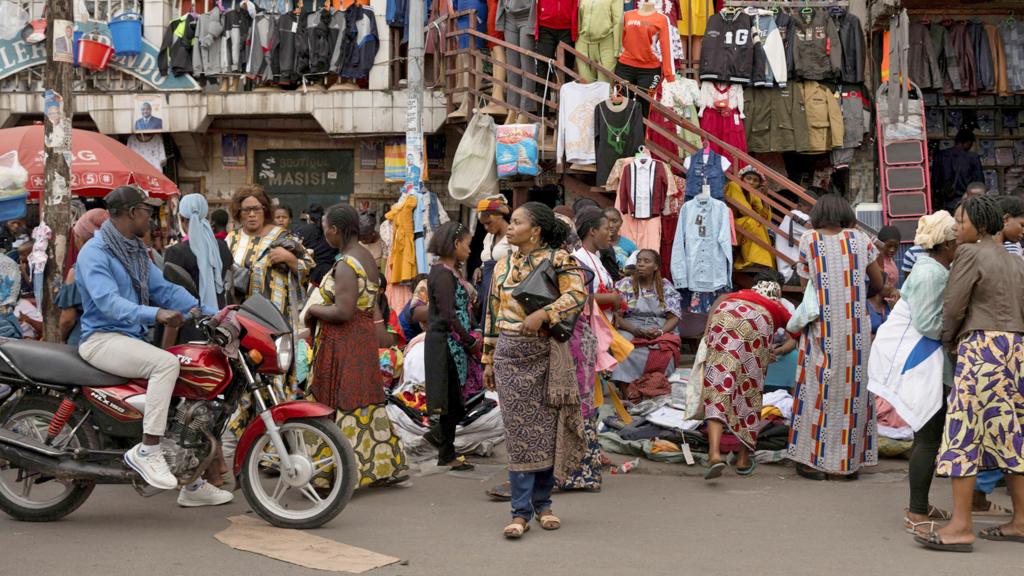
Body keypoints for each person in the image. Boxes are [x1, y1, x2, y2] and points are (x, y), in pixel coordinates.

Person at [76, 186, 229, 506]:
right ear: (132, 213)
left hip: (130, 340)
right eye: (148, 211)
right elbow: (108, 303)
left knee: (188, 393)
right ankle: (148, 448)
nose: (152, 218)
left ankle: (192, 481)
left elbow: (165, 289)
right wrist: (155, 314)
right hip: (101, 339)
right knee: (166, 364)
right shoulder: (95, 252)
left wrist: (210, 313)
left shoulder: (134, 251)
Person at [916, 195, 1024, 552]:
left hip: (981, 348)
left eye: (961, 222)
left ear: (979, 224)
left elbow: (954, 306)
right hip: (1015, 349)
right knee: (1009, 434)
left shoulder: (969, 254)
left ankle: (961, 526)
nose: (956, 228)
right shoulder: (1014, 260)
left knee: (963, 431)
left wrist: (949, 340)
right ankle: (1020, 520)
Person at [482, 201, 588, 539]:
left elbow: (578, 295)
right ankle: (520, 511)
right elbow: (492, 315)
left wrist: (545, 314)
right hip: (509, 356)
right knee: (519, 435)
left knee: (547, 430)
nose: (509, 228)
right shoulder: (501, 266)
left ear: (536, 230)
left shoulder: (559, 259)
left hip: (546, 354)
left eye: (516, 222)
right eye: (510, 222)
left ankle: (544, 505)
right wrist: (488, 359)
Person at [785, 194, 892, 481]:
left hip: (822, 326)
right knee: (853, 394)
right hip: (856, 328)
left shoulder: (808, 240)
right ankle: (847, 465)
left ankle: (814, 462)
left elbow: (807, 284)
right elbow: (879, 282)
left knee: (817, 389)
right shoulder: (859, 239)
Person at [868, 211, 958, 535]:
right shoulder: (932, 273)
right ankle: (916, 510)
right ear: (947, 243)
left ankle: (920, 504)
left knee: (928, 434)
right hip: (914, 359)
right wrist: (957, 335)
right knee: (928, 434)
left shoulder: (929, 268)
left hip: (916, 357)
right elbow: (928, 324)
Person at [306, 203, 408, 488]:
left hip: (344, 344)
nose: (324, 233)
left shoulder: (347, 264)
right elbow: (369, 307)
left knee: (339, 402)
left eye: (325, 229)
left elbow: (342, 311)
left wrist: (313, 312)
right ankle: (376, 466)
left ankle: (333, 470)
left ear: (335, 230)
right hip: (361, 341)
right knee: (363, 401)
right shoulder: (365, 257)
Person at [700, 271, 794, 480]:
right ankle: (742, 459)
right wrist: (774, 351)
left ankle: (714, 454)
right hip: (757, 324)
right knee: (750, 392)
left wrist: (709, 338)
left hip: (723, 318)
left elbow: (712, 321)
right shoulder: (779, 305)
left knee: (718, 387)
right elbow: (795, 332)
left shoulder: (733, 296)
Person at [226, 185, 312, 399]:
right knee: (245, 374)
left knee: (274, 373)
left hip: (277, 320)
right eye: (246, 210)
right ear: (238, 213)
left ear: (265, 210)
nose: (252, 214)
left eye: (257, 208)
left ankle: (278, 426)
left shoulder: (282, 237)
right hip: (243, 322)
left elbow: (310, 268)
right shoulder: (232, 240)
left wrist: (290, 259)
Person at [562, 207, 618, 492]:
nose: (612, 232)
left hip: (594, 335)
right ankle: (583, 460)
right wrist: (613, 299)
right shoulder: (578, 260)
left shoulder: (595, 259)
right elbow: (581, 297)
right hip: (582, 337)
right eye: (606, 227)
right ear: (591, 231)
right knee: (585, 400)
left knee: (592, 399)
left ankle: (590, 455)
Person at [424, 222, 478, 471]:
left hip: (450, 343)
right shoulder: (443, 275)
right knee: (452, 401)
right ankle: (445, 450)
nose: (470, 249)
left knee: (453, 400)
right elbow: (447, 314)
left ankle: (443, 445)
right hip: (447, 344)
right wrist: (468, 340)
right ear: (456, 245)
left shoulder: (445, 271)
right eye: (467, 244)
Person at [611, 249, 681, 387]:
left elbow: (673, 318)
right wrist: (635, 330)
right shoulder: (625, 284)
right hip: (630, 326)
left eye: (646, 261)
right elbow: (617, 317)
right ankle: (627, 391)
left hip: (660, 326)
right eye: (639, 261)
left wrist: (660, 331)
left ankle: (656, 386)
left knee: (664, 348)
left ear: (656, 267)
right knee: (622, 344)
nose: (641, 264)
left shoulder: (665, 286)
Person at [59, 208, 109, 345]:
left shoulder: (77, 270)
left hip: (85, 339)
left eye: (75, 237)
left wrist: (61, 338)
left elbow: (67, 319)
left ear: (81, 239)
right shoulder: (122, 262)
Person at [726, 166, 775, 270]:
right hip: (727, 225)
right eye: (748, 178)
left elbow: (766, 218)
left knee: (758, 224)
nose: (751, 182)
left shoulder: (752, 192)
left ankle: (762, 261)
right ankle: (755, 260)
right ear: (742, 178)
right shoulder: (734, 185)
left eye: (755, 180)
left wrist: (764, 197)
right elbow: (745, 210)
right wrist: (759, 218)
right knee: (752, 222)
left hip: (741, 225)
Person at [474, 197, 511, 325]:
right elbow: (486, 259)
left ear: (499, 217)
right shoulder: (489, 237)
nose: (486, 227)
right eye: (483, 224)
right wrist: (479, 268)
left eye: (488, 222)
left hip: (503, 288)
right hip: (486, 286)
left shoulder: (512, 235)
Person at [930, 129, 983, 211]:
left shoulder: (940, 156)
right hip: (967, 203)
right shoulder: (973, 158)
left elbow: (934, 183)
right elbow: (979, 183)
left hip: (945, 204)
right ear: (968, 142)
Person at [775, 188, 818, 282]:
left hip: (792, 271)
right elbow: (822, 230)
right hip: (793, 273)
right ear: (800, 206)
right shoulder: (796, 215)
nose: (815, 212)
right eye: (813, 208)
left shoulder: (793, 216)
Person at [294, 203, 336, 285]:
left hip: (308, 277)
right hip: (328, 276)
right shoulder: (332, 231)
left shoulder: (301, 231)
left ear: (308, 217)